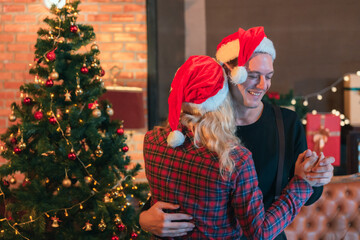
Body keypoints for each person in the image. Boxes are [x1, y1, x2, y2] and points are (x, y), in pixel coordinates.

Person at [139, 27, 335, 239]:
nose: (263, 85)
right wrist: (143, 218)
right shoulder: (198, 130)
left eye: (269, 76)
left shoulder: (286, 123)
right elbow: (176, 189)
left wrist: (317, 178)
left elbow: (308, 194)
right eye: (253, 76)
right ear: (228, 73)